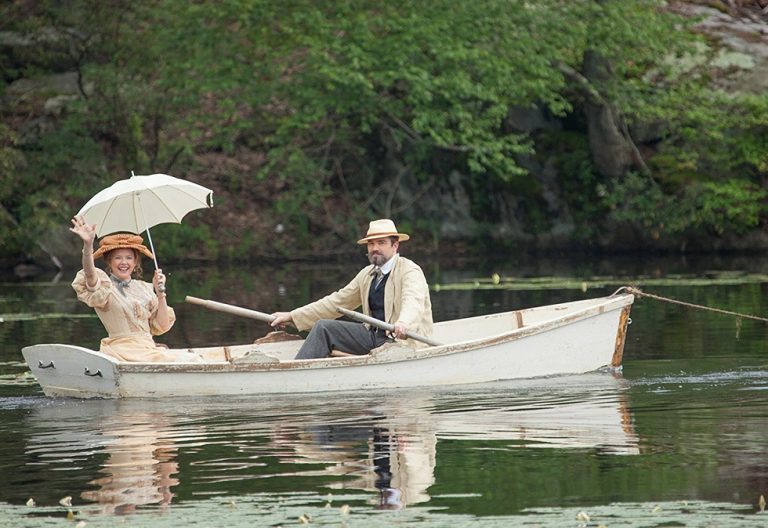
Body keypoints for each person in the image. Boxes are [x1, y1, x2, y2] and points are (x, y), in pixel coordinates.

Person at [270, 219, 433, 359]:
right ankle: (299, 372)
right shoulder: (367, 274)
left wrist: (404, 323)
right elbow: (337, 302)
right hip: (372, 336)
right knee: (323, 327)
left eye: (381, 242)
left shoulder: (409, 271)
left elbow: (413, 301)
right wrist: (292, 315)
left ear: (395, 245)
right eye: (371, 243)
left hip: (402, 342)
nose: (375, 248)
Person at [70, 215, 202, 362]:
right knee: (188, 360)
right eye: (118, 257)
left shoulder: (145, 288)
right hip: (122, 351)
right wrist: (88, 245)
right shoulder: (104, 287)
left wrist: (160, 294)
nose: (123, 262)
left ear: (135, 262)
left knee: (193, 358)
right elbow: (89, 273)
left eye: (128, 257)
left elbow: (163, 325)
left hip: (148, 348)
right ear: (109, 261)